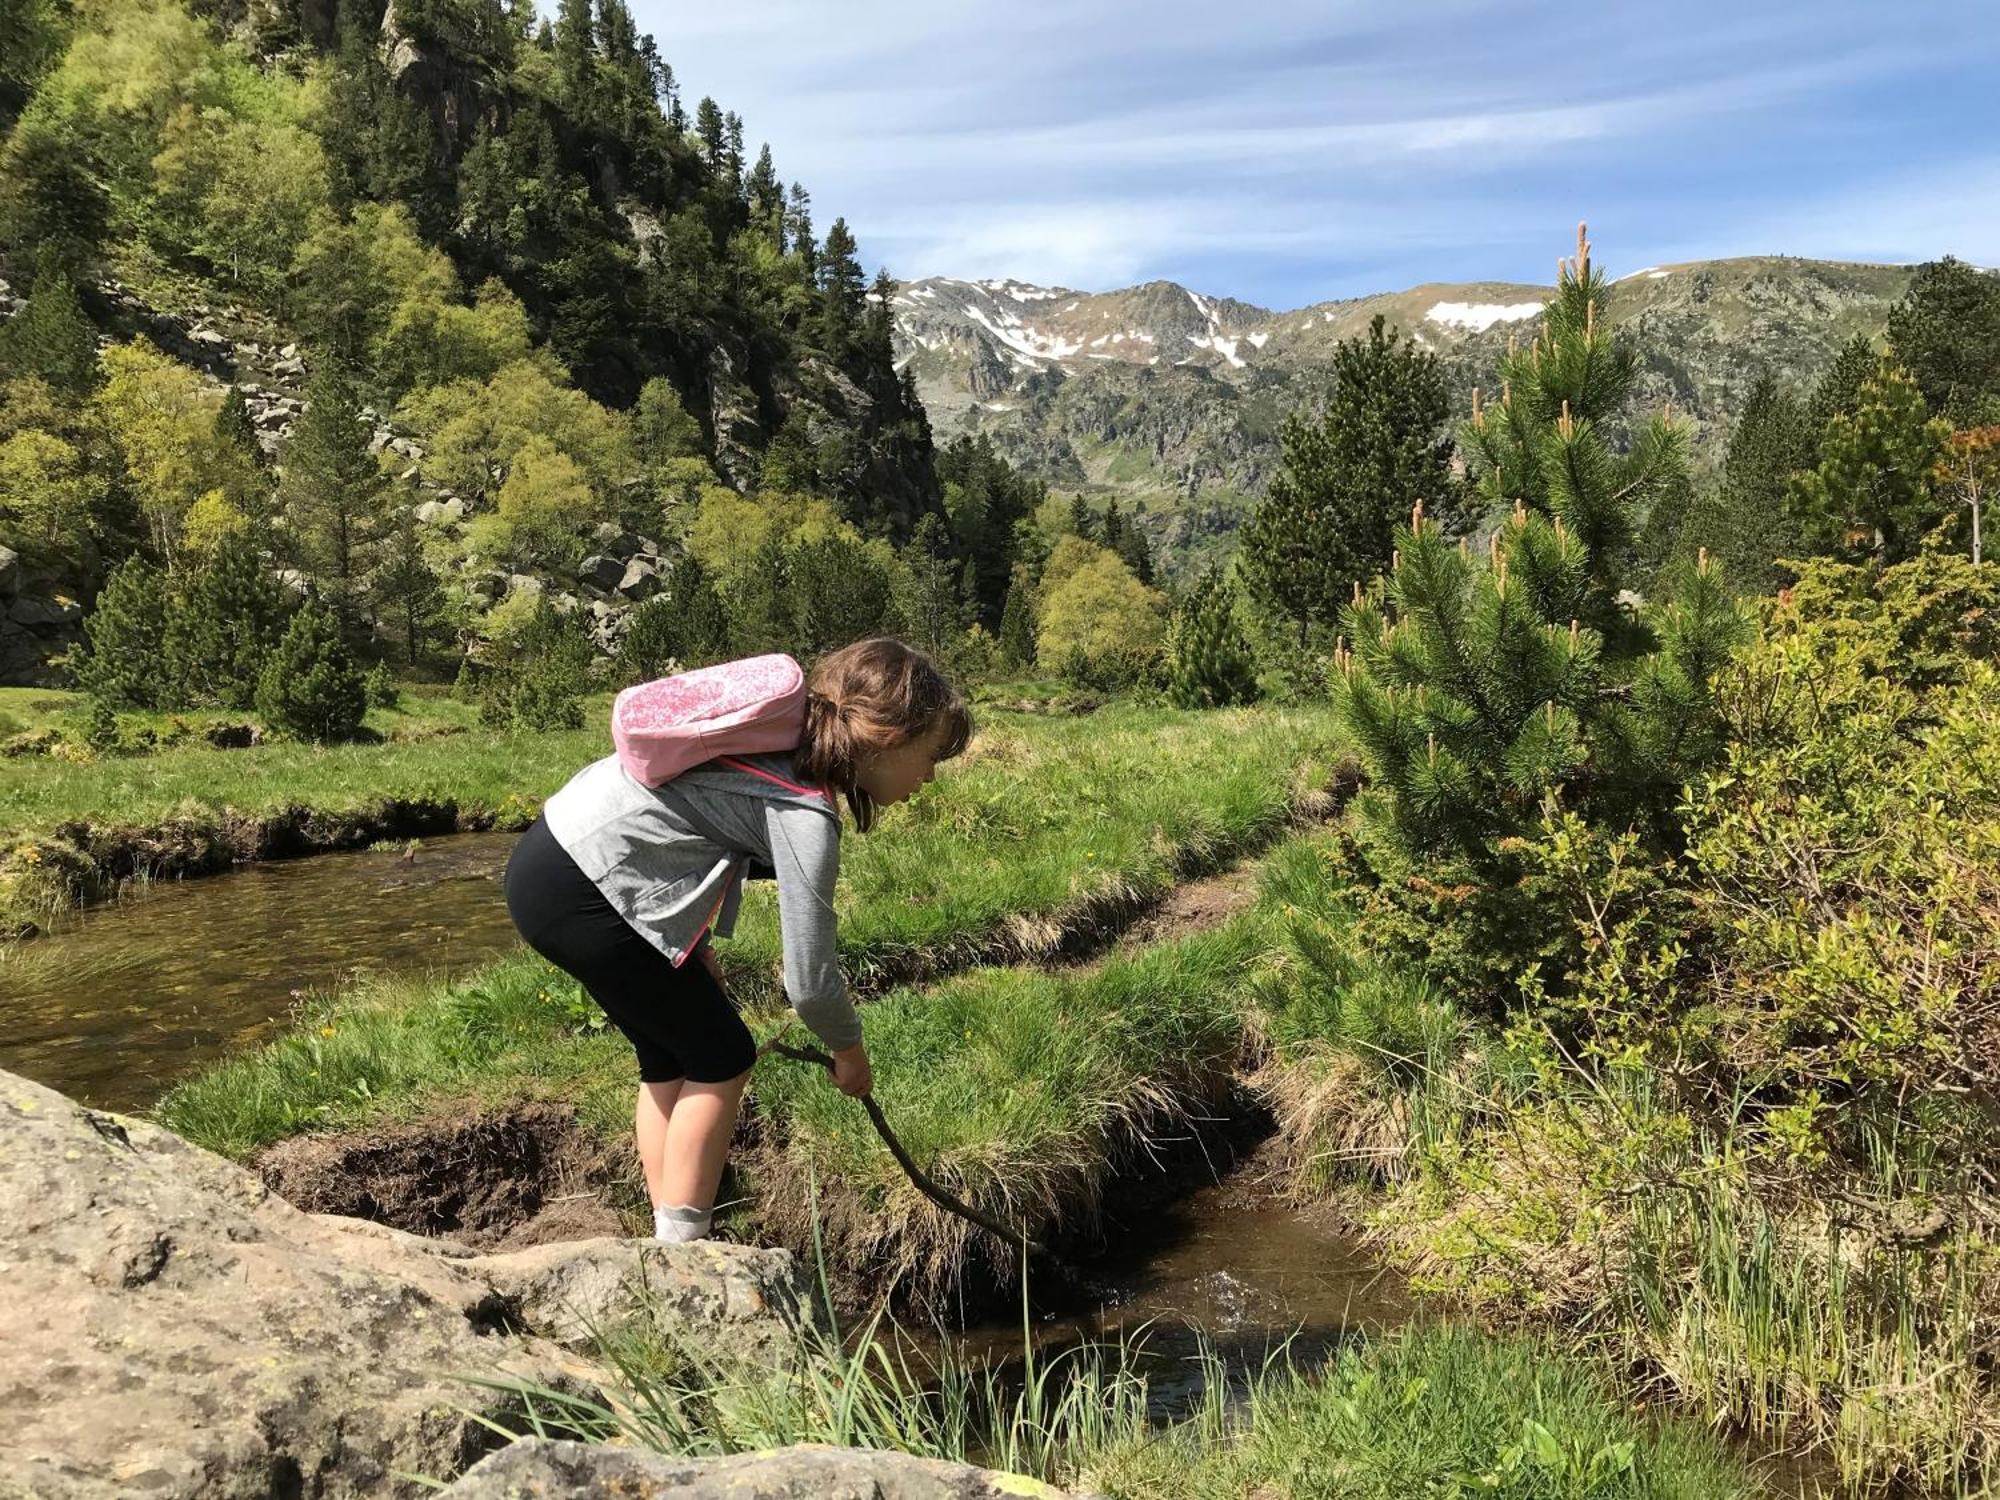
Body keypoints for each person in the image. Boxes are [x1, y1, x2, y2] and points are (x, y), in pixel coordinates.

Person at [502, 636, 971, 1243]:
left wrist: (695, 951)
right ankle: (684, 1251)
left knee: (670, 1054)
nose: (930, 777)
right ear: (887, 739)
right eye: (931, 756)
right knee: (723, 1056)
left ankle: (665, 1225)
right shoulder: (805, 810)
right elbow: (808, 981)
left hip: (551, 858)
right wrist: (850, 1052)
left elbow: (676, 832)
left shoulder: (775, 741)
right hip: (588, 890)